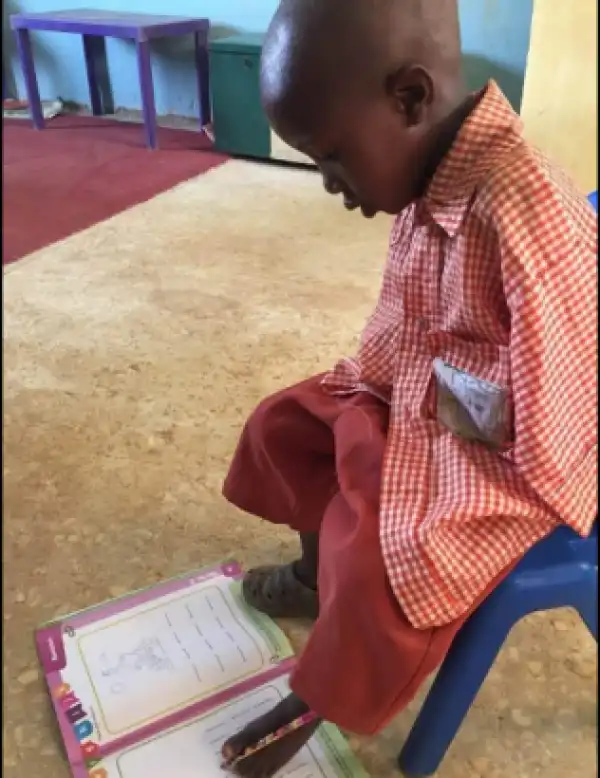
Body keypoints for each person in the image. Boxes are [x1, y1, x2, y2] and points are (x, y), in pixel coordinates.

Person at [220, 0, 598, 774]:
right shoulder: (423, 178)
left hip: (511, 451)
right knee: (285, 425)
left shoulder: (523, 211)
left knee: (392, 569)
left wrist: (434, 465)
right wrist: (367, 401)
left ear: (411, 99)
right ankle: (312, 571)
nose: (329, 184)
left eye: (333, 158)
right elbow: (404, 328)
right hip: (427, 397)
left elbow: (560, 408)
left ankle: (318, 699)